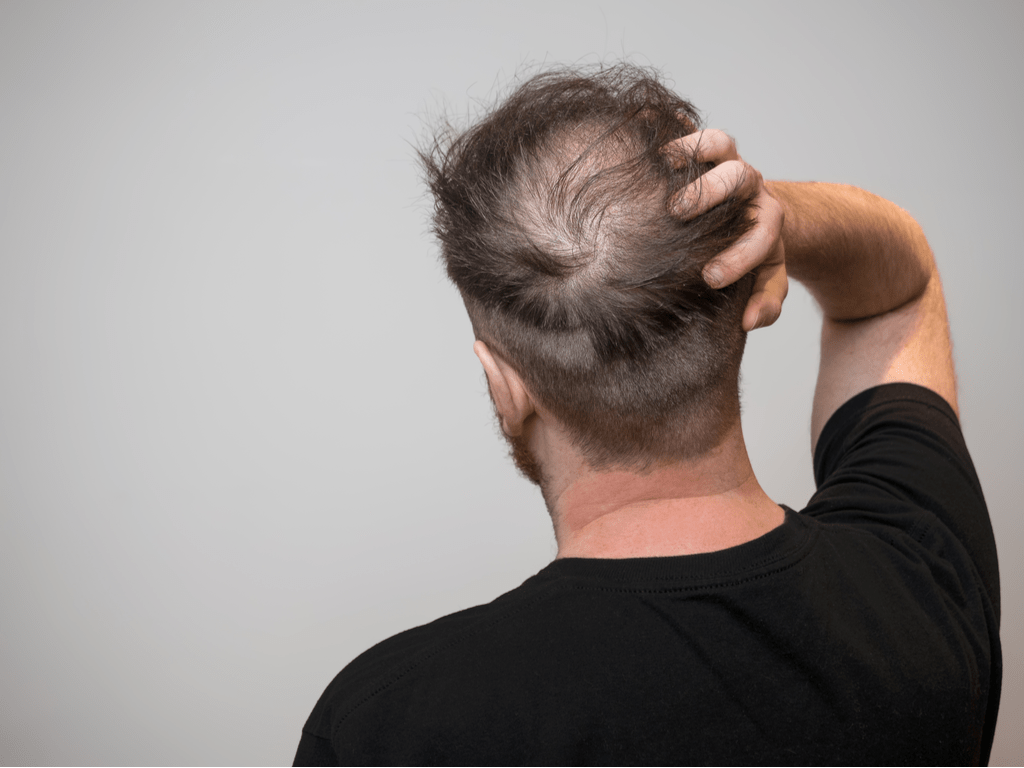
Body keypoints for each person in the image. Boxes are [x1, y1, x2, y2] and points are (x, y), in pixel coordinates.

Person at [294, 64, 1000, 765]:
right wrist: (776, 214)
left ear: (504, 386)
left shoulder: (389, 726)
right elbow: (897, 296)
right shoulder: (923, 586)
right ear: (745, 299)